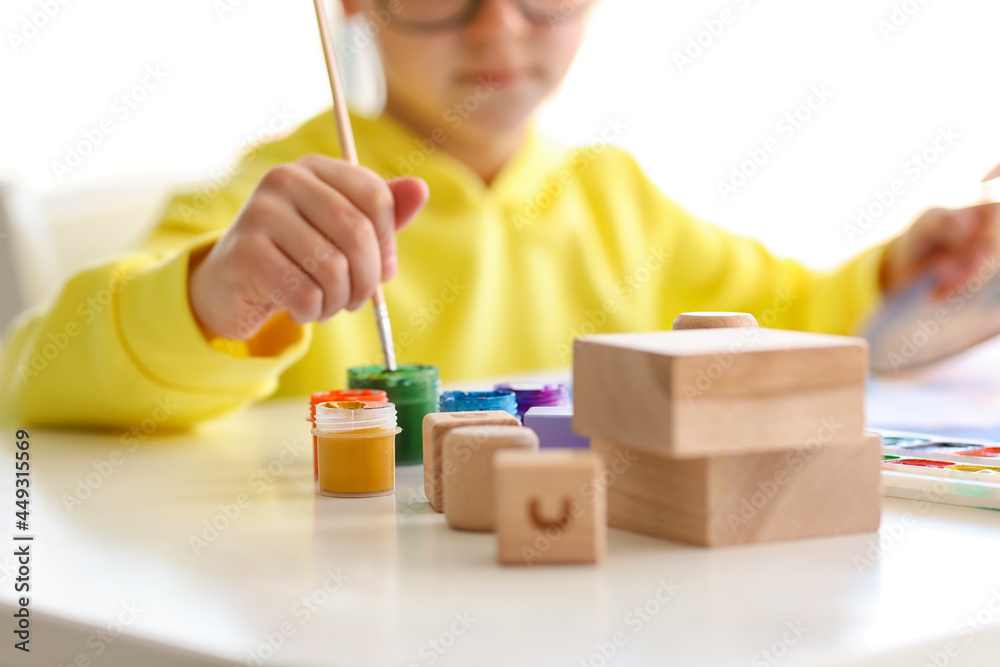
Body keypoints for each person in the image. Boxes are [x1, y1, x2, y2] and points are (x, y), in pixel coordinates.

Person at [1, 0, 996, 428]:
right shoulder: (267, 210)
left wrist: (924, 273)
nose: (499, 27)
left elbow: (809, 324)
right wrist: (212, 299)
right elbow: (32, 379)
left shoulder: (616, 201)